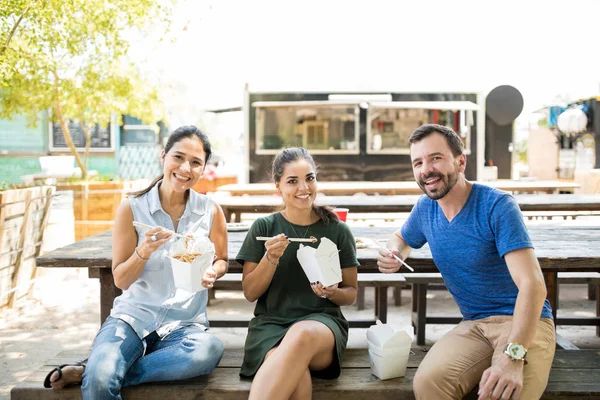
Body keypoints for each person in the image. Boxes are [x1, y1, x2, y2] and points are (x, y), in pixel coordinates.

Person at [43, 125, 228, 399]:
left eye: (195, 162)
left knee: (208, 350)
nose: (185, 168)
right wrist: (143, 251)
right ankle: (97, 373)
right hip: (132, 317)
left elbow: (221, 259)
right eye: (178, 157)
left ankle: (89, 371)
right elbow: (121, 280)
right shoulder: (132, 207)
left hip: (185, 325)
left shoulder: (210, 210)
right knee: (98, 385)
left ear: (203, 169)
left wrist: (214, 270)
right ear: (163, 156)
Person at [376, 124, 555, 400]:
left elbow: (533, 285)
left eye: (435, 158)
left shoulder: (497, 206)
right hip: (475, 324)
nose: (426, 170)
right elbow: (401, 237)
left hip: (526, 321)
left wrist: (513, 355)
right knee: (427, 383)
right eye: (418, 162)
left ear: (461, 161)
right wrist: (395, 253)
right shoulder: (426, 209)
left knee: (507, 393)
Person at [236, 147, 359, 400]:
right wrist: (271, 258)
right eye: (293, 181)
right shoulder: (264, 227)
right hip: (271, 327)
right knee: (295, 374)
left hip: (321, 326)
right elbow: (250, 292)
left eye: (310, 178)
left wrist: (334, 292)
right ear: (278, 186)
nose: (304, 188)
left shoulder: (338, 230)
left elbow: (351, 293)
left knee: (300, 335)